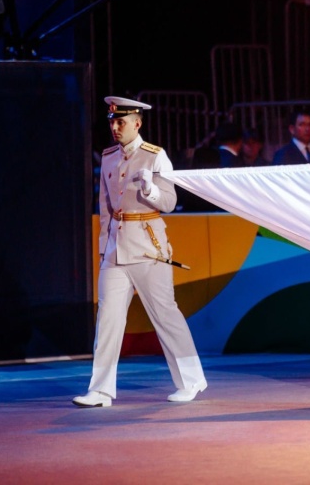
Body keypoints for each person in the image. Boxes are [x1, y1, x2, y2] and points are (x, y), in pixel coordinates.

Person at [73, 97, 207, 407]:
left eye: (121, 122)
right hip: (116, 249)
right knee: (107, 320)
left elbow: (170, 203)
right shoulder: (108, 157)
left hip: (149, 248)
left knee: (165, 314)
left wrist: (151, 190)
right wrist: (103, 249)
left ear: (137, 123)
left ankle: (191, 380)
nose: (115, 127)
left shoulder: (155, 156)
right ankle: (100, 390)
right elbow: (106, 208)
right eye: (112, 121)